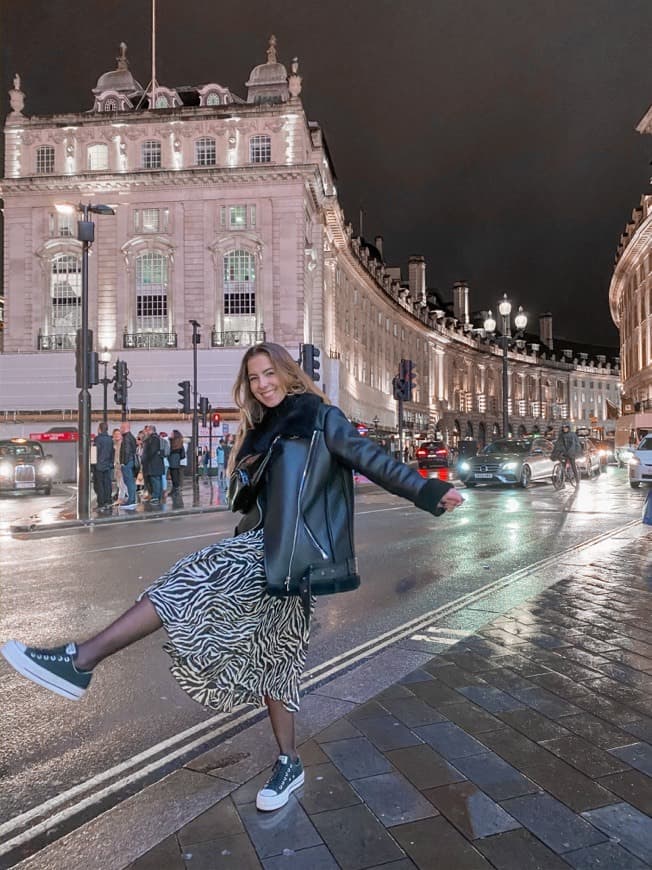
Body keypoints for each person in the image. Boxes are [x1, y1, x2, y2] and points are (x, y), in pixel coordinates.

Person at [0, 343, 463, 813]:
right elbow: (252, 500)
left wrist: (426, 489)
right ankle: (289, 763)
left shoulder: (320, 418)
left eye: (269, 374)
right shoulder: (261, 431)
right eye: (254, 378)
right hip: (264, 546)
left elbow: (372, 459)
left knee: (189, 581)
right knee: (274, 659)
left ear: (287, 373)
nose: (262, 384)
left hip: (288, 554)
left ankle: (81, 660)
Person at [93, 422, 114, 511]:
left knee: (99, 485)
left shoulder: (98, 439)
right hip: (108, 465)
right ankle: (108, 501)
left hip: (99, 465)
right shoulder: (110, 439)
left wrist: (93, 465)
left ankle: (101, 503)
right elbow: (112, 452)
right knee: (107, 484)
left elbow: (95, 452)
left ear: (100, 429)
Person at [141, 425, 164, 504]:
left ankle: (156, 497)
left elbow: (151, 451)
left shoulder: (153, 439)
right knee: (156, 480)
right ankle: (157, 496)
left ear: (150, 430)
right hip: (155, 463)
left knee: (155, 480)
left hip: (153, 464)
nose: (145, 432)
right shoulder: (154, 438)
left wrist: (144, 458)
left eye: (147, 430)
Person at [120, 422, 138, 509]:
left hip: (127, 462)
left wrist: (124, 462)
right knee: (130, 481)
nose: (120, 429)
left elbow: (126, 451)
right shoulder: (131, 437)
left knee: (129, 481)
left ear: (125, 428)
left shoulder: (126, 438)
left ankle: (131, 500)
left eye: (121, 427)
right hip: (131, 461)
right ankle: (132, 499)